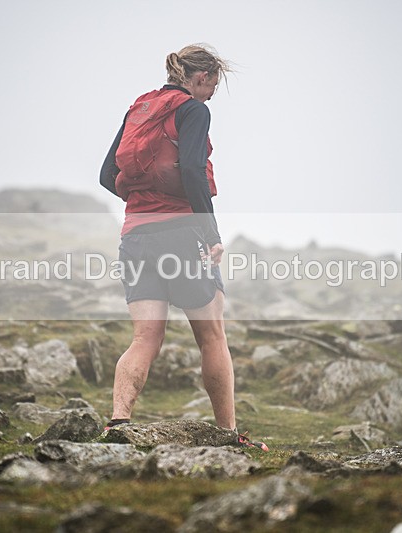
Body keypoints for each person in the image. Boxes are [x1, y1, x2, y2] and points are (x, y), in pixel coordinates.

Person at [99, 44, 267, 451]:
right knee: (212, 336)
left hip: (135, 237)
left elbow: (107, 175)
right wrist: (210, 234)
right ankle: (229, 435)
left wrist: (145, 206)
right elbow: (192, 169)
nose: (212, 93)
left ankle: (118, 424)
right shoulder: (192, 110)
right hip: (182, 234)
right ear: (202, 77)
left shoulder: (140, 108)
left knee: (144, 339)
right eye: (213, 84)